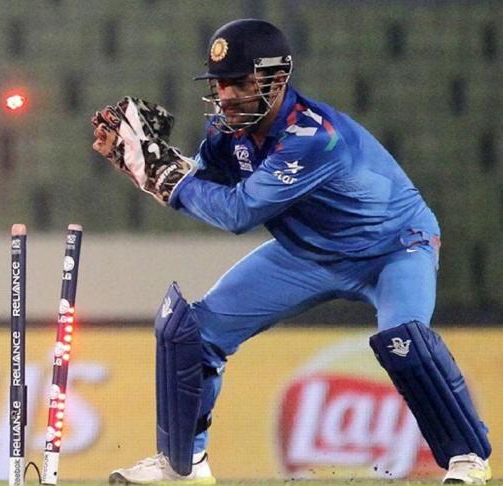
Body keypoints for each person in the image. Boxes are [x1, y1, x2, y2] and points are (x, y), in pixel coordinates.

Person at [91, 18, 492, 485]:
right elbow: (201, 183)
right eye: (219, 84)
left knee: (405, 342)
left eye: (239, 83)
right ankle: (184, 465)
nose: (226, 96)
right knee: (195, 334)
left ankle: (468, 460)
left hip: (393, 248)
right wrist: (141, 161)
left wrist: (161, 171)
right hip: (308, 253)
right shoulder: (228, 132)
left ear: (276, 79)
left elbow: (238, 212)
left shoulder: (314, 138)